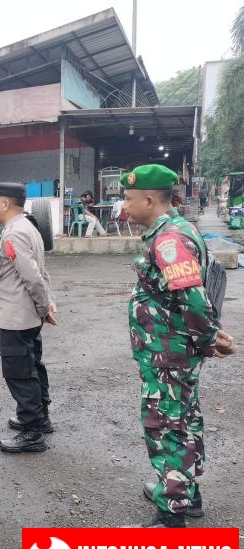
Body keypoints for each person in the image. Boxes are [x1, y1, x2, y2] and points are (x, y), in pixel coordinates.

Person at [121, 164, 236, 528]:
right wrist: (206, 339)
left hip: (168, 353)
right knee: (184, 418)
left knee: (167, 424)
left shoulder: (169, 240)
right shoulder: (177, 231)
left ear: (149, 199)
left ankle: (171, 515)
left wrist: (206, 340)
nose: (124, 205)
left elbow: (195, 300)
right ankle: (186, 492)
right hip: (172, 352)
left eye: (128, 198)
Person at [0, 183, 57, 453]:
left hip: (17, 317)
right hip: (24, 314)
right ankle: (40, 418)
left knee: (20, 373)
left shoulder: (14, 233)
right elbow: (40, 272)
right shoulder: (26, 227)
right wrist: (46, 304)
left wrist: (44, 307)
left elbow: (32, 276)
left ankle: (32, 432)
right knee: (33, 367)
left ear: (4, 203)